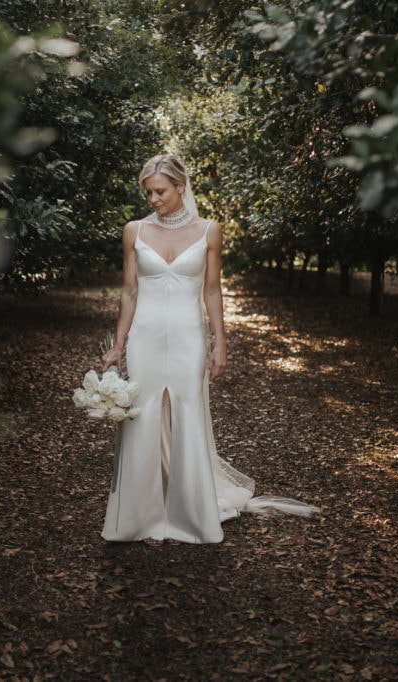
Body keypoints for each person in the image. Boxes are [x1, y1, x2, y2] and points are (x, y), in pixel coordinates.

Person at [99, 153, 317, 545]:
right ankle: (142, 517)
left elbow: (212, 291)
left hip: (188, 339)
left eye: (160, 191)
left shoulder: (209, 231)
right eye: (148, 192)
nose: (153, 199)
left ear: (181, 187)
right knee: (143, 418)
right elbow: (130, 292)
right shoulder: (134, 231)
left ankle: (190, 516)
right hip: (145, 338)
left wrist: (221, 341)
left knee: (187, 415)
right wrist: (118, 345)